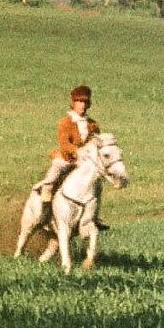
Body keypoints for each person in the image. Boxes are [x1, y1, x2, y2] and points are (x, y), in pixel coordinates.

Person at [33, 84, 109, 230]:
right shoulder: (65, 122)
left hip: (85, 163)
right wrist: (77, 151)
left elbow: (96, 143)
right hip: (67, 158)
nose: (83, 106)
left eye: (86, 102)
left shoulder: (93, 124)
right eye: (80, 102)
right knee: (53, 174)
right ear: (73, 103)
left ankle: (94, 217)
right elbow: (64, 144)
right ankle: (44, 213)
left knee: (97, 185)